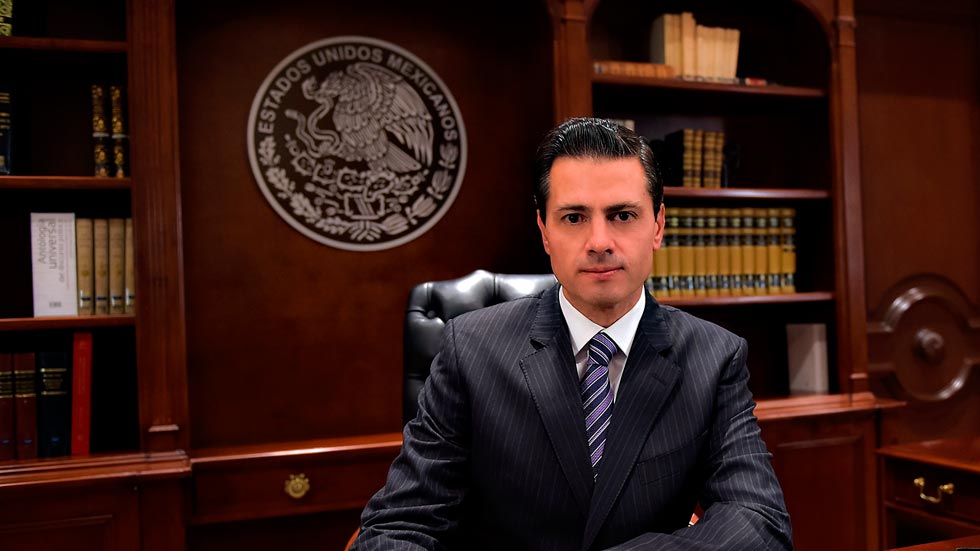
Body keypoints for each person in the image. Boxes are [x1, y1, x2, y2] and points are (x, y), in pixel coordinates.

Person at [352, 118, 793, 550]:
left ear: (658, 226)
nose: (599, 241)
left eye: (622, 215)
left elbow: (759, 522)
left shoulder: (714, 357)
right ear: (544, 231)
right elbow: (400, 524)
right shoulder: (470, 350)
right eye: (574, 217)